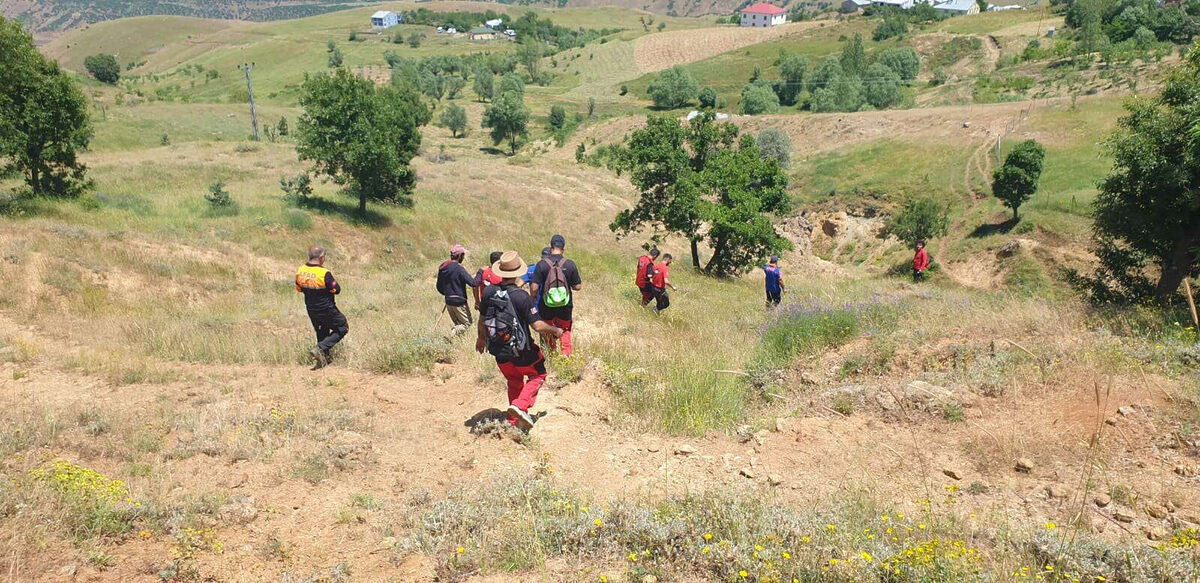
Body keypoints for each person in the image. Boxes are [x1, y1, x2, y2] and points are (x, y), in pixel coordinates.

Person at [476, 251, 564, 431]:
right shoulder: (521, 296)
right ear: (517, 272)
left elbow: (482, 319)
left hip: (499, 350)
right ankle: (520, 406)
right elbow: (538, 326)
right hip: (522, 351)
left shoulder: (489, 292)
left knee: (514, 381)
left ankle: (513, 421)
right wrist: (556, 331)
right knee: (538, 374)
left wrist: (481, 339)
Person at [295, 245, 347, 370]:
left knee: (321, 331)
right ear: (321, 258)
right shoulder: (324, 273)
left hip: (311, 309)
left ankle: (323, 361)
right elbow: (336, 289)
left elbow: (299, 288)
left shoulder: (300, 271)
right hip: (326, 308)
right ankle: (319, 349)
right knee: (342, 327)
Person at [530, 235, 582, 356]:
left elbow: (534, 288)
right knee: (565, 330)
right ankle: (566, 355)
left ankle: (551, 355)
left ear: (551, 247)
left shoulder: (542, 264)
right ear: (563, 249)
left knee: (548, 330)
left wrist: (532, 299)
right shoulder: (570, 264)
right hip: (565, 305)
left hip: (546, 305)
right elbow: (578, 287)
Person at [436, 244, 476, 335]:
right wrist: (480, 274)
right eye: (463, 255)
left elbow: (439, 286)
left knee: (458, 324)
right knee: (467, 324)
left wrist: (447, 293)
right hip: (459, 301)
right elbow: (472, 283)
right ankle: (453, 332)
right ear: (460, 256)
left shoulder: (443, 267)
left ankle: (456, 341)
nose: (464, 257)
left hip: (448, 300)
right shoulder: (459, 269)